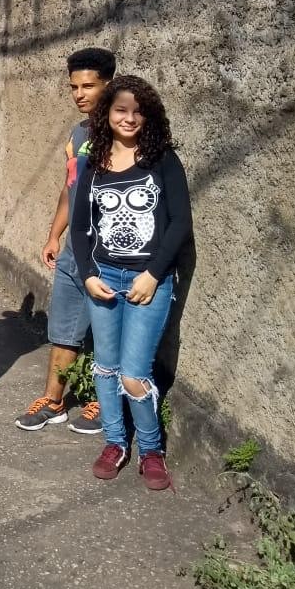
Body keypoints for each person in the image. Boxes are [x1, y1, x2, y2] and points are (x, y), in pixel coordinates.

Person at [71, 75, 192, 491]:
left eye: (138, 111)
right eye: (121, 109)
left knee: (133, 374)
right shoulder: (94, 162)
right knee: (105, 368)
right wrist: (87, 274)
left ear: (149, 116)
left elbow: (180, 225)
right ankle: (115, 443)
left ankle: (152, 450)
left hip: (147, 282)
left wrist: (153, 274)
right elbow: (81, 227)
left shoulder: (162, 160)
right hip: (104, 278)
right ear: (107, 114)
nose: (129, 117)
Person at [16, 48, 117, 435]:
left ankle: (100, 401)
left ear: (109, 84)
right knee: (62, 329)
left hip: (107, 255)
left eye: (88, 85)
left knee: (105, 333)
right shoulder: (78, 133)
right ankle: (53, 401)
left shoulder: (124, 130)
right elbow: (69, 186)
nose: (79, 93)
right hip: (75, 251)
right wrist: (54, 234)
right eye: (74, 86)